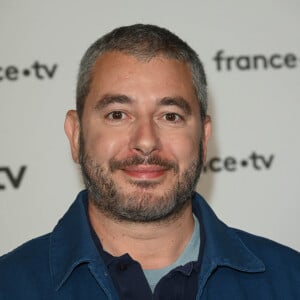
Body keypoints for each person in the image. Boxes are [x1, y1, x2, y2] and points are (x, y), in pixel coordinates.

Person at [0, 24, 299, 300]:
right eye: (117, 114)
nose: (145, 141)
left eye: (170, 116)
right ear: (76, 134)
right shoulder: (10, 285)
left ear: (204, 139)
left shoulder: (289, 282)